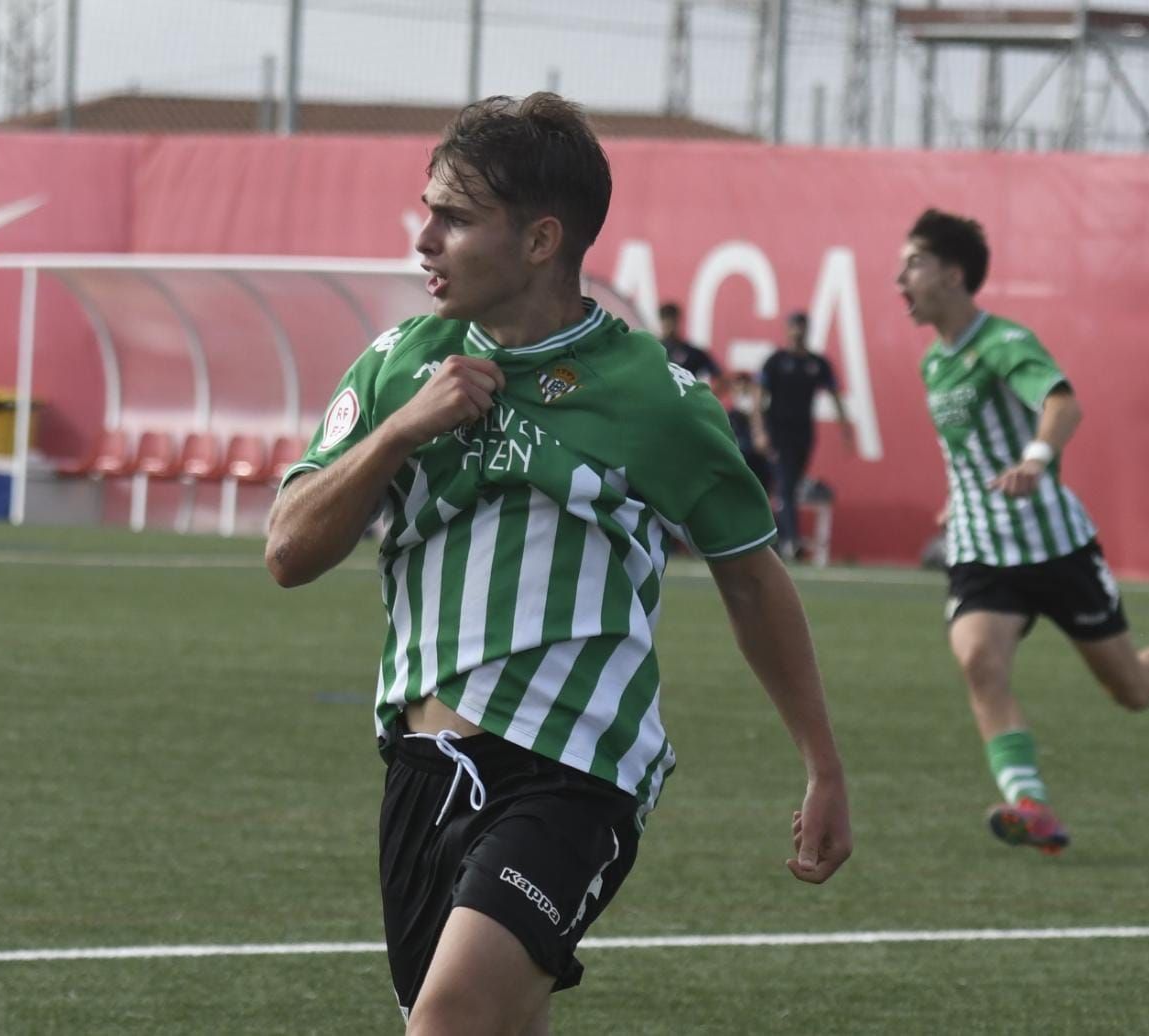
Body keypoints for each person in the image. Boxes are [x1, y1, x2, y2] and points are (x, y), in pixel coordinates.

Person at [266, 93, 850, 1035]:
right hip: (420, 768)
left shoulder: (651, 398)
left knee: (449, 1018)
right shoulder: (398, 366)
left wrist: (823, 766)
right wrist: (401, 431)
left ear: (541, 240)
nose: (425, 240)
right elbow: (289, 551)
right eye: (428, 211)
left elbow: (751, 577)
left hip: (571, 769)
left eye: (455, 218)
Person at [896, 208, 1149, 855]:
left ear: (953, 274)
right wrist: (957, 500)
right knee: (979, 661)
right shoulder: (934, 363)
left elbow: (1062, 403)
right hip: (983, 553)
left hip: (1055, 547)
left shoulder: (1003, 343)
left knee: (1131, 689)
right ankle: (1032, 806)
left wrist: (1036, 460)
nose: (900, 279)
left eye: (914, 264)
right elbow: (968, 452)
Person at [751, 311, 854, 561]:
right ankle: (791, 541)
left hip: (804, 433)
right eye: (794, 327)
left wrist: (845, 429)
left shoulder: (817, 364)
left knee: (792, 486)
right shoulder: (776, 361)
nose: (798, 332)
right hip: (778, 432)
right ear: (787, 330)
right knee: (785, 485)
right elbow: (758, 396)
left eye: (802, 327)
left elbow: (835, 395)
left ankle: (781, 538)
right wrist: (759, 430)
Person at [658, 302, 723, 393]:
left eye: (672, 321)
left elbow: (720, 378)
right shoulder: (652, 351)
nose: (669, 326)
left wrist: (704, 399)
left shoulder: (692, 353)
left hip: (685, 400)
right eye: (666, 321)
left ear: (677, 321)